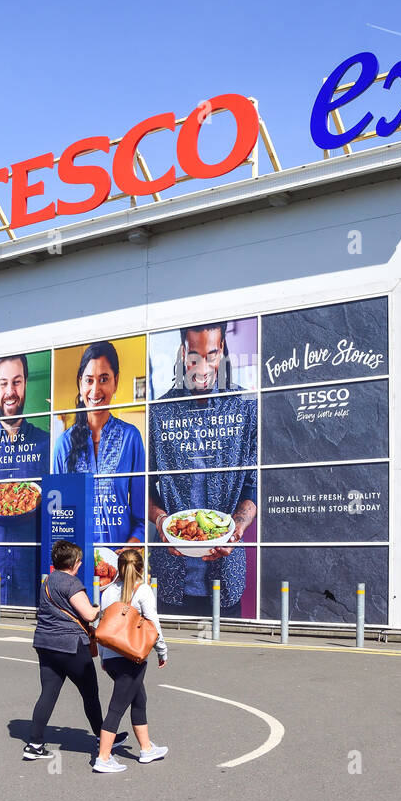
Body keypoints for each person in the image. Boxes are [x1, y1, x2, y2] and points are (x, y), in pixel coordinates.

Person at [147, 323, 257, 617]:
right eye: (194, 356)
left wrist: (237, 527)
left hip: (227, 574)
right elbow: (145, 487)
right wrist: (160, 522)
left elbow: (253, 485)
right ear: (183, 353)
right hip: (170, 576)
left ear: (222, 351)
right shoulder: (160, 412)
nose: (202, 367)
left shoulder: (246, 407)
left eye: (211, 355)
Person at [24, 540, 126, 761]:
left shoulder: (48, 581)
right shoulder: (71, 583)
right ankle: (104, 738)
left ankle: (34, 743)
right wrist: (100, 608)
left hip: (45, 644)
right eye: (79, 561)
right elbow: (89, 614)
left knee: (48, 693)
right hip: (70, 646)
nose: (80, 565)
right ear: (74, 563)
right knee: (90, 694)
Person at [0, 354, 50, 606]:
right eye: (3, 383)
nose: (10, 391)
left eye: (16, 382)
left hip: (31, 573)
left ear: (26, 384)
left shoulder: (45, 444)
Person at [51, 341, 146, 547]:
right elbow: (57, 521)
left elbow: (141, 520)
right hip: (75, 568)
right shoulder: (63, 445)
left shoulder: (131, 438)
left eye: (104, 379)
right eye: (89, 380)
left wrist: (126, 550)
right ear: (80, 383)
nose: (95, 390)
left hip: (119, 567)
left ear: (116, 381)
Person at [93, 549, 169, 773]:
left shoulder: (107, 592)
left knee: (139, 700)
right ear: (141, 568)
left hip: (113, 657)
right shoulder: (143, 590)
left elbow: (102, 628)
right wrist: (162, 652)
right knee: (117, 708)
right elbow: (154, 625)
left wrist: (104, 657)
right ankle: (103, 758)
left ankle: (146, 748)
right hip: (132, 657)